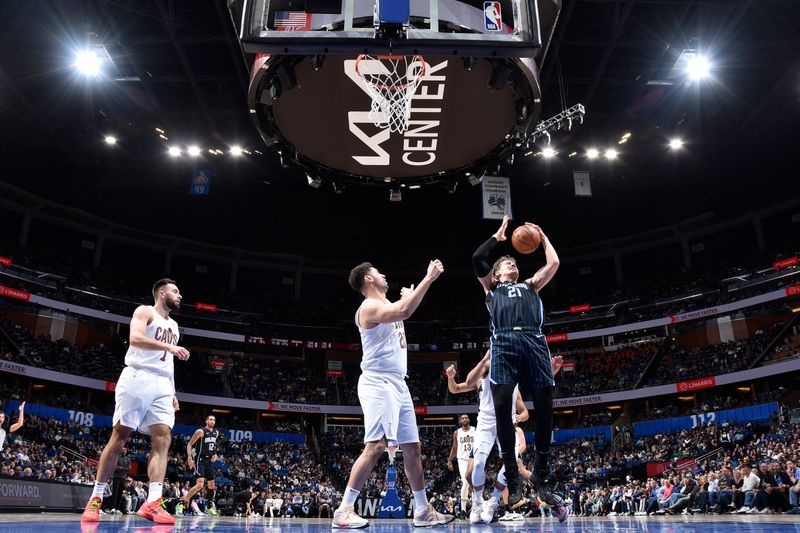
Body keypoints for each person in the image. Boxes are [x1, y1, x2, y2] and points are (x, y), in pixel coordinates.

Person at [332, 260, 454, 529]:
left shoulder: (385, 307)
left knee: (412, 447)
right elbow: (405, 311)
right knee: (376, 446)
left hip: (399, 383)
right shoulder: (369, 307)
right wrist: (428, 279)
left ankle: (422, 511)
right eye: (378, 271)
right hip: (378, 383)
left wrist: (411, 297)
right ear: (368, 280)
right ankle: (343, 510)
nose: (383, 273)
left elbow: (402, 309)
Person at [471, 215, 563, 511]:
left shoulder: (531, 285)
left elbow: (554, 264)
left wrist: (543, 237)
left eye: (513, 263)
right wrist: (498, 237)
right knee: (501, 409)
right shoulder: (491, 289)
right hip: (504, 343)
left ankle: (542, 472)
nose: (511, 264)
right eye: (504, 264)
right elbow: (477, 257)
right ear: (495, 275)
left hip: (534, 341)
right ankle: (513, 475)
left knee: (546, 405)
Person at [81, 278, 190, 524]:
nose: (180, 295)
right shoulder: (145, 311)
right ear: (161, 294)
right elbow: (135, 338)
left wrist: (172, 392)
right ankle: (96, 498)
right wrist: (169, 347)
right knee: (120, 436)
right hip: (137, 376)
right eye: (175, 291)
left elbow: (168, 362)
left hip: (162, 383)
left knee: (163, 438)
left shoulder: (173, 324)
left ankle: (152, 502)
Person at [183, 415, 221, 513]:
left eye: (214, 420)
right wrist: (189, 457)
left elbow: (213, 446)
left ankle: (208, 506)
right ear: (206, 421)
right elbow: (190, 444)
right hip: (200, 460)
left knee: (211, 485)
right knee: (199, 485)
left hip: (210, 461)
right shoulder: (200, 431)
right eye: (211, 419)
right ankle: (183, 501)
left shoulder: (216, 433)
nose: (212, 421)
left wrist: (216, 454)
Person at [447, 414, 475, 518]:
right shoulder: (457, 432)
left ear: (469, 419)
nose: (464, 419)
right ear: (460, 421)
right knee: (466, 481)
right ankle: (463, 510)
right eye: (462, 418)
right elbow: (454, 448)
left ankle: (471, 509)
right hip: (462, 460)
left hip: (473, 459)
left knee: (473, 483)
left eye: (466, 417)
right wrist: (449, 460)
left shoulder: (475, 430)